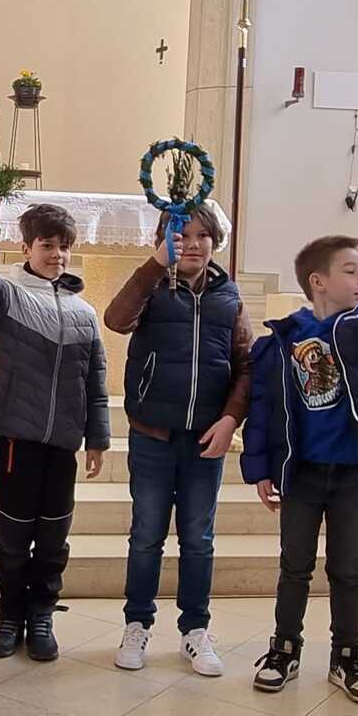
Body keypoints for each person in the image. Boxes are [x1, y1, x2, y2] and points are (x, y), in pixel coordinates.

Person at [242, 210, 358, 705]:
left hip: (350, 476)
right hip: (301, 475)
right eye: (350, 270)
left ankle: (347, 655)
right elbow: (263, 409)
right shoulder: (282, 339)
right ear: (318, 282)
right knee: (294, 566)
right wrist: (259, 469)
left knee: (348, 570)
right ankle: (284, 648)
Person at [104, 204, 252, 678]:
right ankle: (136, 624)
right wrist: (155, 265)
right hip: (153, 434)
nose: (191, 244)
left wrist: (230, 419)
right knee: (147, 535)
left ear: (215, 242)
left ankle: (195, 629)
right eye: (181, 235)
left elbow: (246, 365)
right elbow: (116, 319)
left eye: (202, 235)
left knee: (198, 539)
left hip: (205, 439)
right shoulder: (152, 286)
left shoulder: (228, 297)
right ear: (164, 240)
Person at [0, 199, 111, 662]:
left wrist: (97, 438)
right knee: (12, 536)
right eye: (47, 245)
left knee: (52, 537)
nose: (57, 255)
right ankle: (10, 616)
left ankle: (42, 613)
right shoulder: (9, 297)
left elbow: (95, 379)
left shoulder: (84, 313)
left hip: (63, 443)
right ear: (27, 248)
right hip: (18, 440)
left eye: (64, 247)